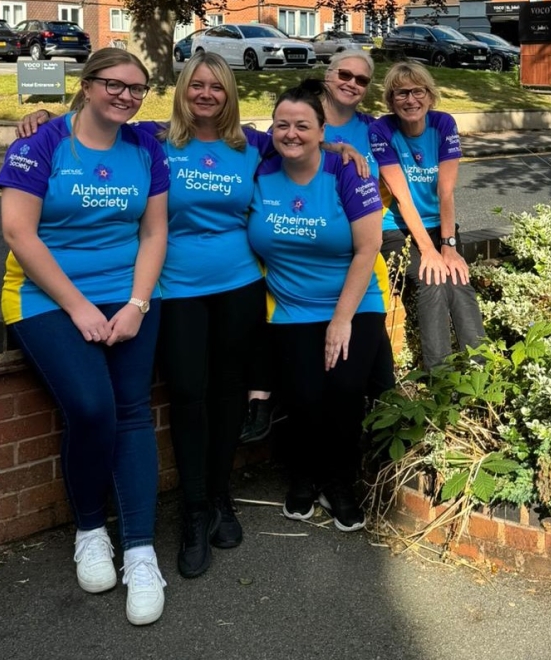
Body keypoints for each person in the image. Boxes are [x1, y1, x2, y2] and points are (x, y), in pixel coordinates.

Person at [18, 53, 369, 575]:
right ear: (183, 90)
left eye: (218, 87)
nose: (207, 94)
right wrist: (43, 119)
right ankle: (194, 506)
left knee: (227, 395)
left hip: (239, 286)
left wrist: (341, 148)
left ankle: (222, 498)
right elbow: (94, 124)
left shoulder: (251, 144)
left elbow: (303, 142)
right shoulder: (153, 141)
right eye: (197, 85)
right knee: (187, 394)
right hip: (175, 289)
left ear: (229, 95)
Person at [0, 48, 170, 625]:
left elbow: (154, 232)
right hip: (46, 297)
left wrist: (138, 304)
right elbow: (19, 232)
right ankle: (91, 529)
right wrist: (79, 308)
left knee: (133, 411)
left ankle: (141, 551)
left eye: (137, 88)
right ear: (87, 85)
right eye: (114, 85)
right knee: (92, 409)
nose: (126, 95)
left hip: (129, 295)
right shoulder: (41, 142)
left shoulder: (145, 147)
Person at [247, 80, 393, 532]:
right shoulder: (260, 163)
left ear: (322, 129)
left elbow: (368, 248)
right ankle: (303, 477)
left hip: (353, 302)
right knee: (304, 397)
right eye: (282, 125)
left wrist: (341, 320)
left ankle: (339, 482)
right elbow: (192, 129)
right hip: (292, 308)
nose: (291, 133)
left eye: (303, 126)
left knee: (344, 393)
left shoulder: (348, 171)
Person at [368, 61, 485, 371]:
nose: (410, 100)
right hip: (397, 229)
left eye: (417, 91)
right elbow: (402, 196)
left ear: (430, 96)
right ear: (390, 101)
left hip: (439, 226)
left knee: (458, 279)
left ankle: (481, 371)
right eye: (401, 93)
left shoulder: (443, 124)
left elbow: (446, 192)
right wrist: (428, 250)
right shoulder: (381, 130)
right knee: (430, 280)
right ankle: (441, 380)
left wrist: (447, 245)